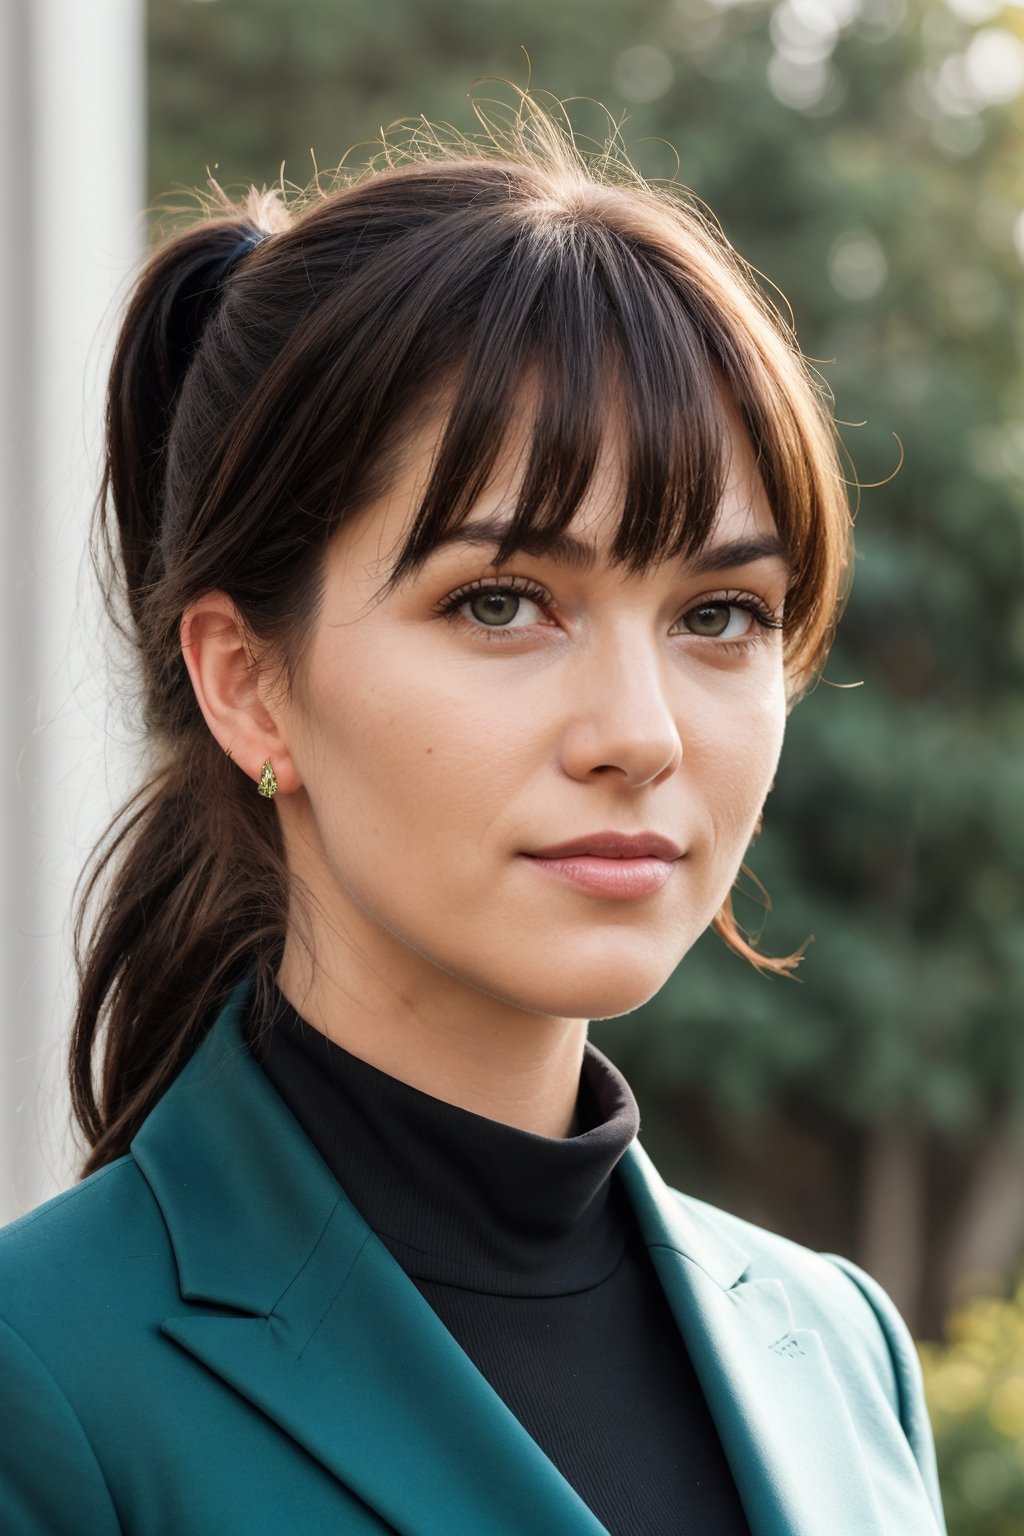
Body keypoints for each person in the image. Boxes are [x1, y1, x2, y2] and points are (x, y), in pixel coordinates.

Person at [0, 98, 946, 1535]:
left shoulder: (844, 1353)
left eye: (720, 615)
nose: (638, 733)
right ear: (248, 687)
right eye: (501, 603)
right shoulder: (47, 1376)